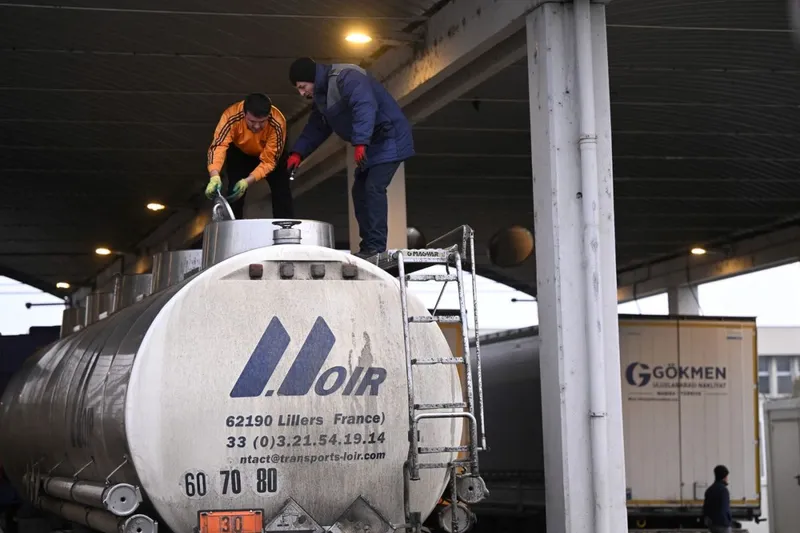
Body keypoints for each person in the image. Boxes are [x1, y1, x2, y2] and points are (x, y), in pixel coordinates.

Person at [285, 57, 414, 259]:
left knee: (373, 187)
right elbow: (317, 127)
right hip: (371, 143)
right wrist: (297, 152)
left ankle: (376, 248)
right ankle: (368, 246)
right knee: (360, 190)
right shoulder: (322, 96)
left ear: (311, 79)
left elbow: (364, 105)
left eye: (302, 87)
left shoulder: (346, 77)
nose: (302, 93)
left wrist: (360, 142)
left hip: (389, 137)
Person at [204, 93, 294, 219]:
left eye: (262, 122)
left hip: (269, 154)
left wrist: (247, 181)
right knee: (234, 192)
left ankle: (285, 228)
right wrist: (214, 175)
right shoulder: (231, 116)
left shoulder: (278, 122)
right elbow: (218, 146)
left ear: (268, 116)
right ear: (244, 114)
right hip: (240, 153)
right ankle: (233, 227)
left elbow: (269, 161)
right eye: (252, 121)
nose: (257, 126)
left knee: (282, 191)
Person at [702, 465, 732, 533]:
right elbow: (724, 509)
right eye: (726, 476)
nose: (727, 478)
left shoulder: (709, 490)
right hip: (723, 525)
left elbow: (705, 508)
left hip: (712, 525)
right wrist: (727, 522)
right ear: (724, 477)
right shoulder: (724, 490)